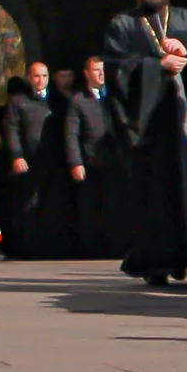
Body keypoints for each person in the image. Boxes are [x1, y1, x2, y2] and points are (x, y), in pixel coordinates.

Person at [102, 0, 187, 287]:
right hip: (148, 128)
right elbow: (116, 69)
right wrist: (156, 66)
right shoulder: (123, 25)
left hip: (186, 120)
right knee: (154, 196)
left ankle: (186, 254)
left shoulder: (186, 19)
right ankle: (157, 262)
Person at [0, 61, 58, 259]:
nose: (41, 80)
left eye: (44, 76)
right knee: (29, 204)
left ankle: (51, 245)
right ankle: (29, 247)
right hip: (29, 161)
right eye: (36, 76)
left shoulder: (57, 100)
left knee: (52, 203)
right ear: (29, 78)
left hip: (52, 160)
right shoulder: (18, 101)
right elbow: (11, 130)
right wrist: (17, 155)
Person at [64, 52, 121, 261]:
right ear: (87, 74)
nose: (101, 74)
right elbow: (71, 133)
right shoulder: (78, 101)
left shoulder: (114, 97)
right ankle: (92, 249)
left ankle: (116, 246)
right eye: (96, 71)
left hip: (114, 160)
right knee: (90, 208)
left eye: (103, 70)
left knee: (114, 205)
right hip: (90, 162)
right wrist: (76, 162)